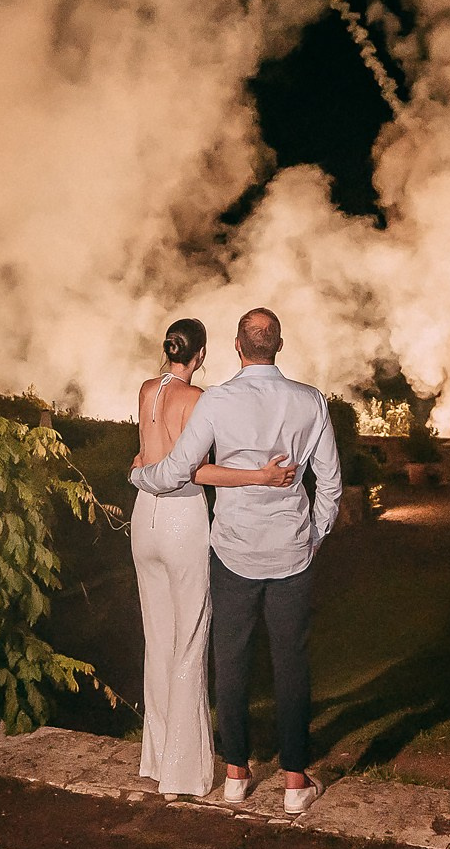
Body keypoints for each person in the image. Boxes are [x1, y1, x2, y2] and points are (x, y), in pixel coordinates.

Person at [130, 307, 341, 815]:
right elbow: (331, 485)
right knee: (291, 664)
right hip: (290, 552)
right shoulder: (310, 401)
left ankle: (235, 776)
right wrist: (311, 538)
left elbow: (180, 469)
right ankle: (294, 783)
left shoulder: (218, 400)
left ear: (237, 347)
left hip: (232, 552)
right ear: (279, 345)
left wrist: (139, 477)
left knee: (231, 660)